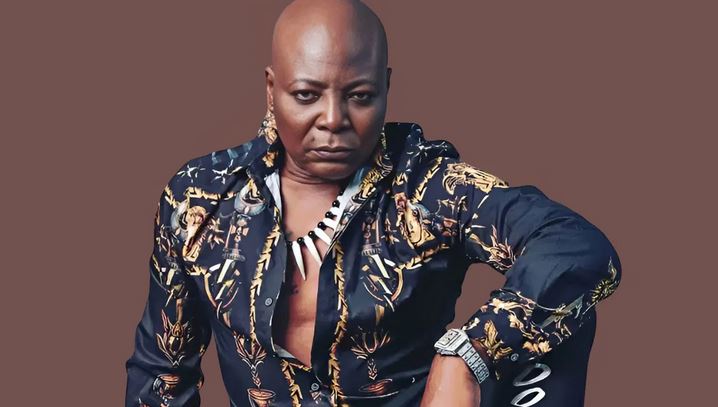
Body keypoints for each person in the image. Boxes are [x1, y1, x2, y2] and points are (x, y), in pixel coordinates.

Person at [125, 0, 622, 406]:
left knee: (562, 307)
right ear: (272, 90)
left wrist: (467, 355)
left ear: (386, 87)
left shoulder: (429, 188)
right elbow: (162, 371)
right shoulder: (200, 198)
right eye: (306, 95)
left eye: (359, 96)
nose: (333, 119)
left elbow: (578, 248)